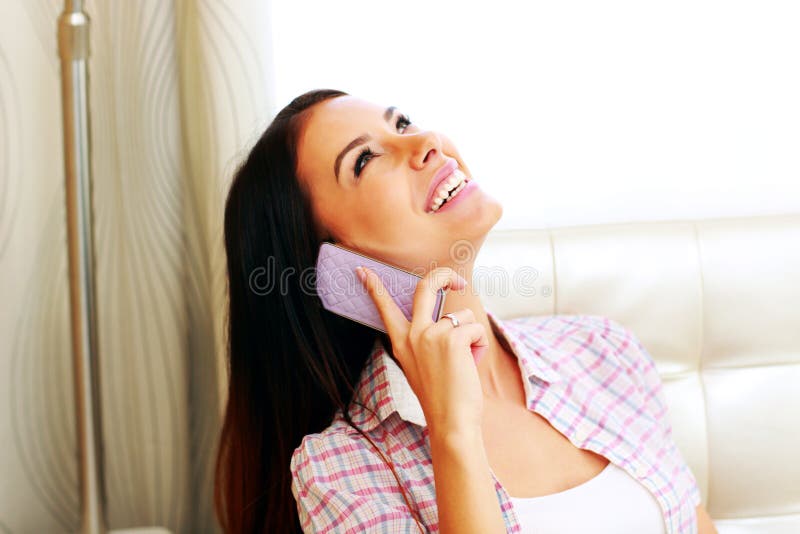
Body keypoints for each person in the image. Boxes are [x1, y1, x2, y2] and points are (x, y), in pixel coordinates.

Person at [214, 89, 717, 533]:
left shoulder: (602, 351)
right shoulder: (340, 471)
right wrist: (451, 427)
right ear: (330, 269)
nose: (426, 142)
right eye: (365, 160)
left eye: (403, 123)